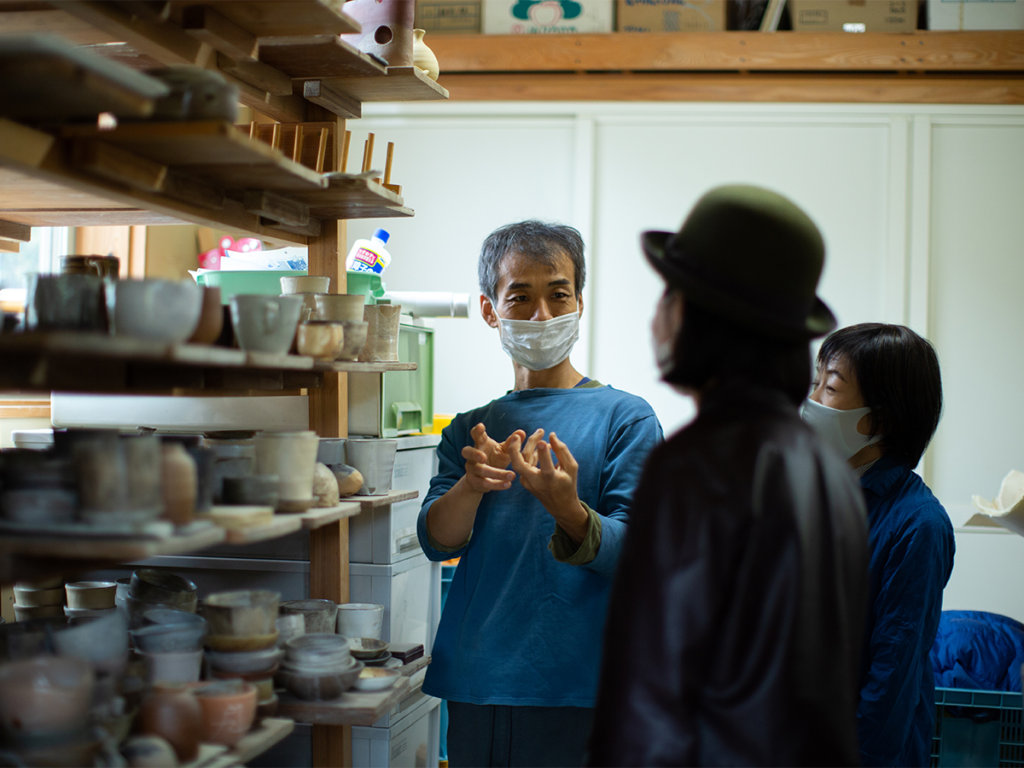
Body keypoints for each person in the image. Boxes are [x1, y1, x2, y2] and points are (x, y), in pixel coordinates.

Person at [588, 184, 870, 766]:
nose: (656, 316)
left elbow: (653, 687)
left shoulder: (696, 465)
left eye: (669, 294)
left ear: (700, 316)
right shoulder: (828, 469)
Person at [417, 220, 663, 767]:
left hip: (583, 685)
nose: (542, 316)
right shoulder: (470, 429)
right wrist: (471, 485)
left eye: (558, 295)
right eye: (520, 298)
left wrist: (569, 511)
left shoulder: (626, 418)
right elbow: (436, 540)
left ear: (580, 302)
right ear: (490, 310)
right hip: (480, 679)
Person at [802, 322, 955, 767]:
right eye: (815, 382)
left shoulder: (917, 524)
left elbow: (892, 678)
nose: (811, 401)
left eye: (830, 388)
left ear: (879, 420)